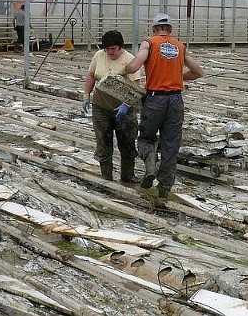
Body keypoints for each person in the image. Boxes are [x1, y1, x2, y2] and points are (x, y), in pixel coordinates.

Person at [123, 13, 203, 199]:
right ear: (170, 30)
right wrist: (177, 76)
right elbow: (198, 72)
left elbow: (134, 67)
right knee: (170, 145)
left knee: (145, 138)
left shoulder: (149, 43)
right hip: (175, 101)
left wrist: (122, 70)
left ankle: (150, 166)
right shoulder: (180, 46)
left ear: (154, 29)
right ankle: (164, 188)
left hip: (155, 99)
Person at [83, 30, 141, 183]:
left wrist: (126, 104)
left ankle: (128, 175)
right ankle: (106, 175)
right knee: (103, 142)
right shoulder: (98, 56)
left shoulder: (129, 59)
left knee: (127, 142)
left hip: (124, 110)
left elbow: (136, 85)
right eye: (107, 49)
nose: (110, 52)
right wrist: (86, 95)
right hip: (101, 107)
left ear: (120, 47)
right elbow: (91, 75)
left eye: (113, 48)